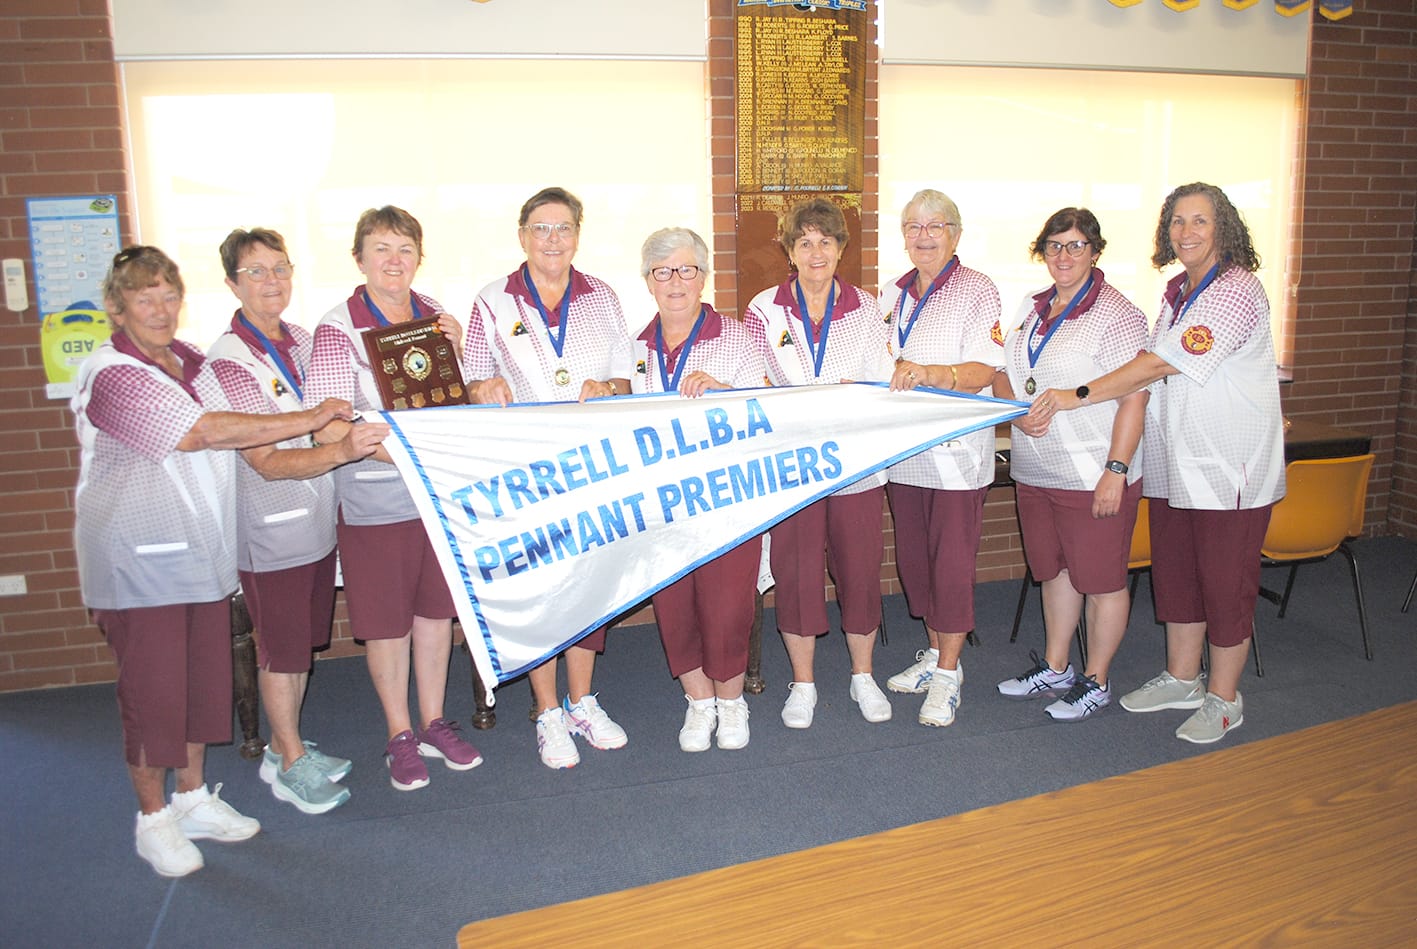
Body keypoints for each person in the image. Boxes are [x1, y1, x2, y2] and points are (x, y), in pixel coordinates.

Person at [73, 246, 356, 877]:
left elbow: (232, 420)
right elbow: (202, 431)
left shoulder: (192, 362)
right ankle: (153, 820)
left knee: (203, 689)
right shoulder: (111, 371)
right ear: (118, 306)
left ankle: (193, 797)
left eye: (169, 295)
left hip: (203, 560)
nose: (159, 308)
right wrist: (308, 419)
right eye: (143, 297)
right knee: (153, 696)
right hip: (138, 567)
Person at [1029, 182, 1285, 744]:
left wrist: (1078, 394)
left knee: (1225, 585)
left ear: (1224, 229)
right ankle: (1181, 677)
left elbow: (1154, 366)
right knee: (1179, 580)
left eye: (1199, 221)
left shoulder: (1236, 291)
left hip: (1229, 470)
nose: (1186, 232)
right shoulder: (1174, 293)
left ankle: (1223, 697)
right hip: (1176, 465)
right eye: (1176, 222)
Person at [208, 228, 390, 812]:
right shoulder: (228, 361)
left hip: (315, 524)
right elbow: (264, 460)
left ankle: (285, 745)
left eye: (280, 268)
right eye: (256, 272)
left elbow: (349, 389)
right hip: (271, 531)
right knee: (280, 650)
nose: (272, 281)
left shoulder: (306, 340)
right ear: (232, 283)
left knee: (301, 646)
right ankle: (287, 758)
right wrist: (338, 448)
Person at [304, 206, 484, 790]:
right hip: (376, 499)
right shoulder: (337, 327)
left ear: (418, 258)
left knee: (436, 614)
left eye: (405, 249)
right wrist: (401, 453)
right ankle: (399, 734)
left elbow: (459, 399)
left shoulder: (434, 317)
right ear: (359, 259)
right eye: (381, 248)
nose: (394, 261)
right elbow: (327, 429)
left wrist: (461, 349)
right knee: (387, 624)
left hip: (436, 498)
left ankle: (434, 721)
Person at [463, 186, 633, 769]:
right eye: (541, 228)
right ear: (522, 236)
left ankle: (583, 700)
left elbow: (627, 379)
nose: (552, 239)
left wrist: (608, 388)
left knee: (586, 589)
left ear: (578, 236)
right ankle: (547, 713)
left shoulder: (604, 296)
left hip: (590, 471)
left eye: (563, 228)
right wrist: (478, 388)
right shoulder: (491, 300)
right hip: (526, 473)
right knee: (540, 590)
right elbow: (466, 384)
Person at [743, 197, 896, 730]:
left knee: (858, 574)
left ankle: (862, 675)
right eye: (803, 241)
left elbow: (879, 385)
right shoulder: (764, 308)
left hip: (854, 468)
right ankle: (803, 683)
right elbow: (756, 382)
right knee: (798, 576)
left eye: (825, 241)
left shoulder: (868, 307)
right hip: (792, 471)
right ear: (789, 250)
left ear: (841, 249)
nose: (815, 252)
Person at [992, 208, 1148, 721]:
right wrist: (1017, 412)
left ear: (1095, 251)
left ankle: (1097, 679)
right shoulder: (1031, 308)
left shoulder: (1117, 314)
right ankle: (1057, 667)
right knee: (1054, 572)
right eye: (1055, 245)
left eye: (1076, 245)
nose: (1064, 255)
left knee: (1102, 581)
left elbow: (1135, 396)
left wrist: (1116, 470)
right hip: (1036, 471)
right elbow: (1003, 374)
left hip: (1092, 475)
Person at [630, 227, 765, 751]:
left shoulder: (735, 337)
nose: (675, 281)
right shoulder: (635, 347)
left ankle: (731, 704)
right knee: (675, 604)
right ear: (648, 282)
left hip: (727, 500)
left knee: (728, 605)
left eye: (686, 270)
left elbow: (768, 411)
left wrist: (728, 393)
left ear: (703, 277)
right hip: (662, 506)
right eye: (662, 272)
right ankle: (698, 701)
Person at [876, 189, 1004, 727]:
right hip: (904, 454)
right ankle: (933, 654)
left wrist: (932, 373)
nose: (923, 236)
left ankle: (950, 672)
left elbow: (985, 370)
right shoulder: (888, 294)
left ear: (956, 233)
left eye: (935, 226)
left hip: (955, 455)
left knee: (950, 566)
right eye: (912, 227)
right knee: (916, 565)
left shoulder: (978, 290)